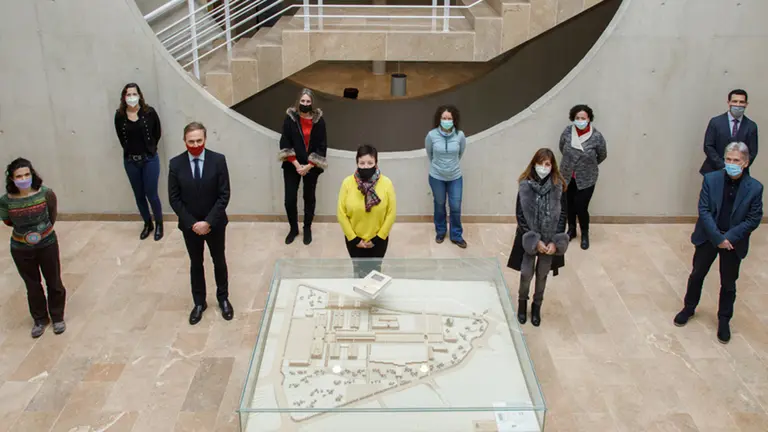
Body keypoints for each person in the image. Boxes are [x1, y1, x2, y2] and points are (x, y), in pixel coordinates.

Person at [674, 142, 763, 344]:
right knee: (697, 274)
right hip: (709, 237)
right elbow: (704, 211)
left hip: (733, 242)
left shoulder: (755, 188)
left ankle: (724, 319)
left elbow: (753, 218)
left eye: (736, 160)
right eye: (728, 159)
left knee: (728, 283)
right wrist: (718, 238)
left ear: (746, 163)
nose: (731, 163)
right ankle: (689, 307)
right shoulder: (711, 179)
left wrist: (728, 238)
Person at [168, 122, 234, 325]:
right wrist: (193, 223)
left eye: (199, 140)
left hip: (214, 224)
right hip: (190, 226)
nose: (195, 144)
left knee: (219, 261)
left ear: (205, 140)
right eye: (191, 141)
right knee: (196, 263)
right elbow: (174, 198)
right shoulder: (176, 164)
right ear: (184, 141)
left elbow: (224, 194)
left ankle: (223, 298)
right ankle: (199, 302)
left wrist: (208, 222)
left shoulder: (218, 160)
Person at [0, 158, 67, 338]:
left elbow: (51, 215)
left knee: (54, 281)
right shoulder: (6, 201)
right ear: (12, 179)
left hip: (47, 245)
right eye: (19, 176)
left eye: (27, 174)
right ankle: (40, 319)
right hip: (21, 248)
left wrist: (42, 232)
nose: (24, 178)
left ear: (32, 174)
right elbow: (7, 221)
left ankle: (57, 317)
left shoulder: (46, 193)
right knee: (32, 285)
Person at [507, 149, 569, 327]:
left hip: (550, 240)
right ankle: (522, 304)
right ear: (534, 163)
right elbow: (520, 215)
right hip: (530, 238)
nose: (543, 167)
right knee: (526, 273)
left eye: (547, 164)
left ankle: (536, 307)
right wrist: (534, 240)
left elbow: (563, 213)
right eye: (540, 163)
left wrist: (554, 241)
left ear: (552, 166)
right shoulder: (525, 186)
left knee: (542, 275)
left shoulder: (559, 186)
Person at [337, 145, 396, 278]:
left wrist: (379, 237)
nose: (365, 166)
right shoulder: (347, 183)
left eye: (370, 163)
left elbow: (391, 213)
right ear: (357, 163)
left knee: (375, 274)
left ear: (376, 163)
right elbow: (341, 213)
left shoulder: (386, 183)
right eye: (362, 163)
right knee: (359, 273)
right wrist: (354, 239)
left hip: (378, 241)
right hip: (355, 241)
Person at [278, 88, 328, 246]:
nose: (305, 104)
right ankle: (293, 229)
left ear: (312, 103)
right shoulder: (290, 119)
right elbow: (285, 142)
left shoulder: (319, 121)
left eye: (308, 101)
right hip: (292, 165)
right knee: (289, 200)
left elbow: (322, 145)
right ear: (298, 102)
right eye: (303, 101)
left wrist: (309, 165)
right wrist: (296, 164)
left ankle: (307, 228)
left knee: (309, 198)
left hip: (311, 167)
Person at [114, 83, 164, 241]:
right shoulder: (119, 116)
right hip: (131, 161)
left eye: (133, 94)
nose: (131, 97)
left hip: (149, 159)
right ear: (123, 97)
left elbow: (157, 132)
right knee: (139, 195)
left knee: (152, 194)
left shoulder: (149, 113)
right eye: (128, 95)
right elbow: (121, 138)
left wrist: (150, 148)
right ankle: (147, 223)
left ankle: (159, 224)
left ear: (140, 95)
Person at [558, 104, 607, 250]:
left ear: (589, 119)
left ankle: (584, 234)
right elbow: (562, 147)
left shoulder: (596, 136)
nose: (580, 120)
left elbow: (602, 155)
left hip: (586, 178)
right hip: (567, 176)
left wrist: (587, 166)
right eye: (577, 118)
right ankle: (571, 230)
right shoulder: (567, 132)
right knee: (569, 205)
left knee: (581, 206)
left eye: (583, 118)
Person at [426, 105, 467, 248]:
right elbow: (430, 154)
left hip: (455, 176)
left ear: (454, 120)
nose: (447, 121)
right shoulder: (431, 135)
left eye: (449, 118)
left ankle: (456, 235)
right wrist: (440, 167)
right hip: (436, 176)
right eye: (444, 118)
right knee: (439, 204)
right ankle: (441, 231)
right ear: (439, 119)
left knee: (455, 206)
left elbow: (460, 153)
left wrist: (450, 166)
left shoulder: (460, 135)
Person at [700, 89, 758, 175]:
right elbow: (708, 146)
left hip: (739, 173)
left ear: (746, 104)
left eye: (741, 102)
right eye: (735, 101)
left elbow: (752, 152)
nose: (738, 105)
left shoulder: (751, 126)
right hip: (714, 170)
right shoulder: (716, 122)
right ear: (729, 102)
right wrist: (723, 166)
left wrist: (738, 167)